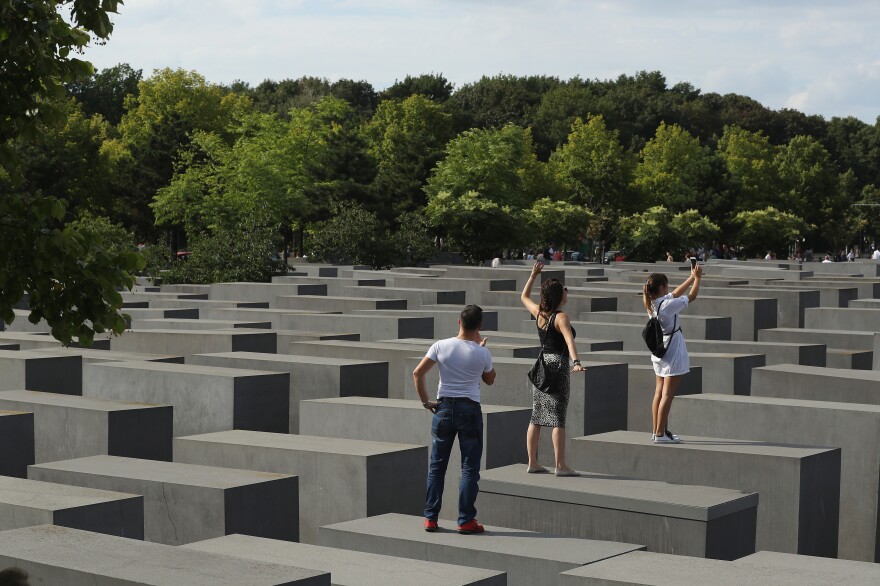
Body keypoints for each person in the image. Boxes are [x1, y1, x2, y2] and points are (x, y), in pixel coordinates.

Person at [414, 304, 496, 535]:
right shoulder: (482, 352)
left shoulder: (440, 345)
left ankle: (430, 518)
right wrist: (479, 349)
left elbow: (417, 373)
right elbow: (490, 380)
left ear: (459, 322)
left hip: (443, 407)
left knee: (436, 467)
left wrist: (425, 401)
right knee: (469, 468)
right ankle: (465, 520)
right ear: (479, 327)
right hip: (469, 410)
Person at [519, 262, 585, 476]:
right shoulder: (561, 316)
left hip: (542, 365)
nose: (567, 291)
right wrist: (576, 362)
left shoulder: (540, 313)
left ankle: (532, 462)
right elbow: (569, 341)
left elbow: (523, 297)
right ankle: (560, 465)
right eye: (564, 289)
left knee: (536, 416)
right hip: (558, 365)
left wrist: (532, 275)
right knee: (558, 418)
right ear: (559, 295)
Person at [643, 265, 702, 444]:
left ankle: (657, 431)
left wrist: (691, 278)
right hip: (672, 349)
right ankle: (661, 434)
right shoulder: (667, 305)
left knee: (658, 393)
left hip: (660, 350)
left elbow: (675, 293)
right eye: (666, 286)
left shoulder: (652, 302)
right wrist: (699, 279)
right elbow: (691, 297)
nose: (669, 289)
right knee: (668, 394)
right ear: (661, 288)